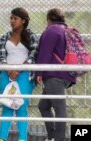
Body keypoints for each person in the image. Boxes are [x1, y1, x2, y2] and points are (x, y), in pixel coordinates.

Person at [0, 7, 39, 141]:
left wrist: (18, 70)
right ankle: (2, 137)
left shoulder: (31, 36)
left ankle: (22, 138)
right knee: (6, 105)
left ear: (23, 21)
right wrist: (9, 70)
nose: (12, 21)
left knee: (21, 106)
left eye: (15, 18)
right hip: (6, 74)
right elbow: (1, 56)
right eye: (11, 18)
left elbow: (33, 54)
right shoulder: (5, 36)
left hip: (24, 75)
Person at [36, 8, 76, 141]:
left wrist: (39, 72)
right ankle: (52, 136)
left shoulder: (52, 30)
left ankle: (58, 138)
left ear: (49, 19)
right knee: (43, 106)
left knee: (59, 108)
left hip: (54, 75)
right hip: (65, 73)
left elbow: (45, 53)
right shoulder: (66, 29)